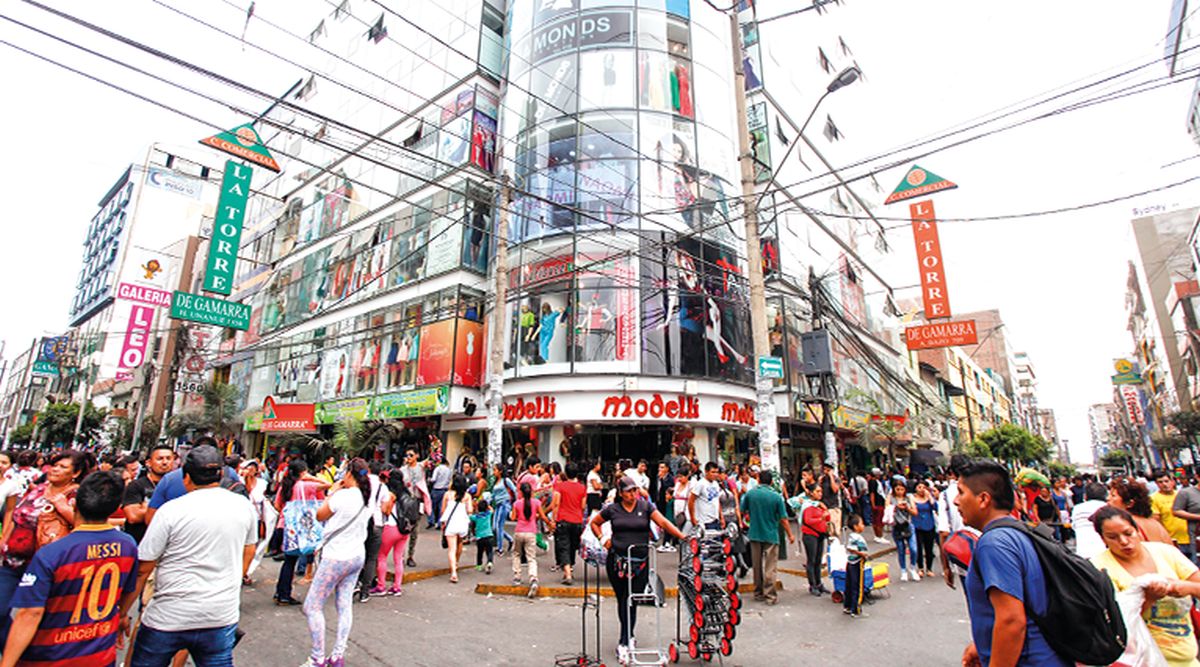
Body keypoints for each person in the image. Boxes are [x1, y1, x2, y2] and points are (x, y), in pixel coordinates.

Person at [123, 445, 257, 667]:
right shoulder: (244, 507)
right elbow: (249, 551)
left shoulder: (171, 511)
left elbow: (143, 568)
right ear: (222, 474)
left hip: (168, 617)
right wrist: (231, 585)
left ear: (185, 477)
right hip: (220, 616)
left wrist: (122, 611)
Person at [1, 471, 136, 667]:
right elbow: (129, 589)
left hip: (50, 656)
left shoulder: (54, 553)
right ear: (116, 507)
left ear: (75, 503)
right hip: (100, 656)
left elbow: (30, 614)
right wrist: (121, 615)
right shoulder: (128, 545)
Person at [956, 459, 1071, 667]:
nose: (956, 501)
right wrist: (982, 645)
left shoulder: (993, 543)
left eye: (961, 492)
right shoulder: (1020, 532)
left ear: (983, 499)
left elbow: (1012, 621)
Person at [589, 476, 687, 664]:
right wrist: (603, 540)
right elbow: (594, 523)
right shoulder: (612, 509)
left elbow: (663, 523)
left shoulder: (645, 507)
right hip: (617, 561)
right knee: (623, 599)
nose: (633, 495)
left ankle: (626, 639)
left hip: (640, 562)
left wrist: (682, 536)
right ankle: (626, 639)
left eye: (635, 490)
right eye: (628, 491)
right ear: (620, 493)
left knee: (632, 599)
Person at [0, 449, 91, 645]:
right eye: (54, 465)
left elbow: (83, 526)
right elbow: (15, 517)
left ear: (75, 473)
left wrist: (62, 507)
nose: (55, 470)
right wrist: (3, 542)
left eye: (62, 467)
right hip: (14, 560)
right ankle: (14, 651)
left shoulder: (78, 495)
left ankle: (22, 654)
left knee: (35, 616)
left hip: (47, 566)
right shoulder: (38, 489)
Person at [1090, 505, 1200, 667]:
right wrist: (1149, 599)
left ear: (1137, 530)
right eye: (1112, 537)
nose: (1124, 542)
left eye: (1128, 533)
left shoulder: (1166, 553)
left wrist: (1185, 587)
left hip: (1186, 657)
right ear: (1103, 539)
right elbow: (1113, 625)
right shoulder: (1099, 568)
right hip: (1142, 661)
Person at [302, 458, 373, 667]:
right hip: (356, 556)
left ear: (349, 474)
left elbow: (320, 514)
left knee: (312, 606)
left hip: (336, 557)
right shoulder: (366, 497)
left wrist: (332, 491)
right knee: (344, 605)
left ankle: (317, 658)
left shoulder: (341, 496)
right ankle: (337, 655)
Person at [739, 469, 793, 605]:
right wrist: (790, 534)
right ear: (771, 482)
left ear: (758, 480)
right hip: (771, 534)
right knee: (770, 566)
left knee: (756, 566)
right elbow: (783, 518)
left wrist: (744, 521)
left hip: (755, 533)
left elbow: (741, 510)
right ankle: (770, 595)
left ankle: (758, 593)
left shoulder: (751, 494)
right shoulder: (776, 497)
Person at [373, 471, 414, 596]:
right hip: (404, 529)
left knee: (382, 556)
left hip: (391, 527)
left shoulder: (390, 494)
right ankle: (397, 586)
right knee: (398, 558)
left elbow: (385, 510)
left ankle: (381, 586)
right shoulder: (407, 493)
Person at [123, 445, 174, 545]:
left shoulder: (180, 485)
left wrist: (147, 507)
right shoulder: (137, 485)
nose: (164, 462)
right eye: (159, 459)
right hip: (140, 542)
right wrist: (170, 509)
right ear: (148, 463)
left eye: (168, 458)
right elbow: (133, 517)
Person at [512, 481, 553, 597]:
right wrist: (550, 524)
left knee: (516, 554)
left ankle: (517, 577)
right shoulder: (536, 503)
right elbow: (543, 516)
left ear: (521, 492)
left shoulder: (517, 503)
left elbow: (513, 517)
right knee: (531, 558)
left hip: (519, 531)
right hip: (531, 532)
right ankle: (533, 579)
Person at [355, 461, 387, 603]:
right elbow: (386, 507)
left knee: (356, 554)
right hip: (377, 523)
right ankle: (365, 592)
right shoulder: (383, 487)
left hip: (361, 521)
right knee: (371, 558)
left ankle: (353, 584)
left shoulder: (361, 483)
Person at [1109, 477, 1174, 546]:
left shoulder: (1126, 525)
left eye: (1113, 496)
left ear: (1129, 503)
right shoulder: (1155, 524)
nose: (1108, 498)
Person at [552, 462, 587, 585]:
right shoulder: (582, 488)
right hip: (577, 520)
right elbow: (583, 506)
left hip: (563, 519)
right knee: (572, 546)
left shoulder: (560, 486)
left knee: (564, 546)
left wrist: (553, 520)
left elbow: (556, 503)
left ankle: (567, 573)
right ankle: (569, 569)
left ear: (566, 474)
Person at [399, 447, 431, 568]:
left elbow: (433, 459)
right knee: (403, 529)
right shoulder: (402, 470)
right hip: (405, 502)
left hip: (417, 502)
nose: (409, 457)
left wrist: (434, 446)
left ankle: (411, 556)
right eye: (407, 455)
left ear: (417, 456)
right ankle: (400, 555)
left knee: (415, 531)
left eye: (411, 455)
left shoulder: (421, 467)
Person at [440, 473, 473, 584]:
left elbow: (443, 510)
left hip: (451, 524)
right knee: (460, 543)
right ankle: (456, 562)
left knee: (451, 548)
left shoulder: (447, 495)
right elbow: (470, 510)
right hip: (462, 523)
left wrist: (442, 523)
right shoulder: (467, 496)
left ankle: (453, 572)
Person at [1155, 471, 1193, 560]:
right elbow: (1157, 522)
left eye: (1166, 481)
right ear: (1157, 484)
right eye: (1160, 482)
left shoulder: (1183, 495)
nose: (1164, 484)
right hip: (1173, 542)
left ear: (1172, 481)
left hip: (1191, 539)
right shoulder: (1154, 499)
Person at [800, 485, 830, 596]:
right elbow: (808, 520)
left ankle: (819, 583)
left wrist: (825, 514)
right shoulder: (808, 506)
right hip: (810, 535)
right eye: (817, 491)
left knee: (818, 560)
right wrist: (821, 518)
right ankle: (812, 585)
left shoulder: (819, 506)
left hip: (820, 535)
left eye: (821, 491)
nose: (820, 493)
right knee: (811, 560)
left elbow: (827, 519)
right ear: (811, 493)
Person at [887, 482, 919, 581]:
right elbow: (887, 509)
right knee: (901, 550)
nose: (900, 492)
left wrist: (907, 508)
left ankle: (913, 567)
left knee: (913, 549)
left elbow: (915, 512)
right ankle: (903, 570)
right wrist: (896, 507)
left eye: (902, 489)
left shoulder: (909, 497)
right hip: (897, 526)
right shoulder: (891, 497)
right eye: (898, 489)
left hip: (908, 525)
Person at [1072, 481, 1109, 559]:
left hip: (1083, 554)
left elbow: (1074, 527)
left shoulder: (1077, 508)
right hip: (1105, 553)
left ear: (1085, 496)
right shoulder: (1108, 507)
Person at [843, 514, 870, 619]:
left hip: (850, 563)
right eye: (861, 524)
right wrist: (862, 554)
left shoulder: (852, 536)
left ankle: (848, 606)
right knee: (857, 586)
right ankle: (856, 609)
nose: (863, 526)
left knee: (849, 585)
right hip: (857, 562)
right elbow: (851, 548)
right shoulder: (856, 537)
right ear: (855, 526)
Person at [912, 480, 938, 579]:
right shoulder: (913, 498)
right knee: (918, 547)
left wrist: (930, 497)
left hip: (929, 524)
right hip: (917, 525)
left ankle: (929, 568)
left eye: (924, 487)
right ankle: (920, 568)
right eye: (919, 487)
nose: (922, 490)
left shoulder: (928, 498)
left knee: (929, 548)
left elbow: (935, 507)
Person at [688, 462, 724, 531]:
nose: (715, 474)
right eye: (713, 472)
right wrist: (693, 518)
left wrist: (721, 517)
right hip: (704, 522)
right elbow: (691, 501)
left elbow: (717, 501)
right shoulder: (701, 484)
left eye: (717, 472)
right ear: (706, 472)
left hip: (715, 520)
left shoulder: (715, 484)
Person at [490, 465, 516, 556]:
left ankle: (500, 549)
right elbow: (493, 495)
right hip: (497, 505)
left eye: (495, 470)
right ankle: (510, 539)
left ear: (500, 471)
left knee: (498, 526)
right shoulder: (495, 481)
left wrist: (515, 505)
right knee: (494, 527)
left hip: (504, 504)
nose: (494, 472)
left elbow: (515, 490)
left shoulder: (506, 480)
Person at [471, 497, 495, 574]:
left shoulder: (476, 517)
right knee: (490, 551)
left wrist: (474, 507)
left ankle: (479, 565)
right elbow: (492, 510)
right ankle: (490, 562)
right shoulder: (488, 514)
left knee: (480, 552)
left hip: (480, 537)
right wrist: (488, 505)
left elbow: (470, 516)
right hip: (489, 535)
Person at [818, 462, 842, 536]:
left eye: (827, 470)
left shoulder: (836, 479)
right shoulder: (822, 479)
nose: (825, 472)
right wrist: (819, 482)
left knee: (834, 530)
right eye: (824, 469)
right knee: (826, 530)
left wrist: (831, 476)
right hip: (824, 506)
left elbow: (835, 489)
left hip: (833, 507)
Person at [428, 458, 452, 530]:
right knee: (441, 507)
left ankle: (431, 521)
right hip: (444, 490)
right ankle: (439, 523)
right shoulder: (448, 470)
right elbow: (449, 480)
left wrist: (429, 480)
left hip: (436, 489)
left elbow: (433, 479)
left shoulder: (437, 469)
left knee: (431, 506)